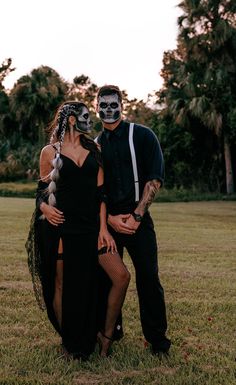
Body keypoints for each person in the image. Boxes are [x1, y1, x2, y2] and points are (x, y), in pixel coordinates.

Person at [26, 101, 130, 360]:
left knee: (120, 276)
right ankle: (70, 341)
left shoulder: (94, 148)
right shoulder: (49, 152)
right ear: (71, 120)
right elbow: (41, 192)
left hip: (92, 228)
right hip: (60, 227)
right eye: (84, 116)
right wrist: (45, 209)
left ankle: (105, 336)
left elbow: (101, 194)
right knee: (62, 285)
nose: (89, 119)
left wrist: (103, 229)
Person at [96, 85, 171, 355]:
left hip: (140, 220)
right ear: (96, 108)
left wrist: (138, 216)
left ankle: (158, 342)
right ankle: (110, 333)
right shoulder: (96, 144)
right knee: (107, 279)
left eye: (112, 104)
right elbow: (97, 191)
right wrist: (111, 221)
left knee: (149, 279)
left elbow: (155, 177)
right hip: (111, 222)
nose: (107, 109)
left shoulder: (142, 135)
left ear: (121, 104)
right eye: (102, 105)